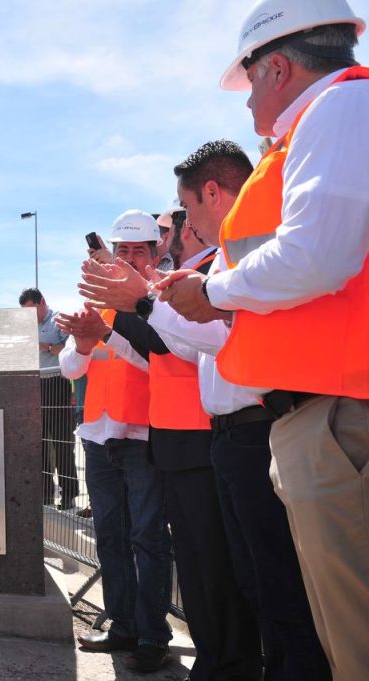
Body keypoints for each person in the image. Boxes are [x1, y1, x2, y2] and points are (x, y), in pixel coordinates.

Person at [156, 4, 368, 678]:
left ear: (277, 66)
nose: (248, 101)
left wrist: (211, 292)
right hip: (319, 410)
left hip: (335, 412)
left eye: (248, 81)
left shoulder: (337, 109)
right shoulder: (333, 117)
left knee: (347, 637)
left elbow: (317, 254)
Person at [80, 199, 264, 681]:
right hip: (168, 434)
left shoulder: (189, 280)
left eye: (163, 233)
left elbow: (171, 344)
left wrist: (135, 305)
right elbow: (155, 351)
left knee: (201, 561)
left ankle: (200, 653)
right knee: (188, 562)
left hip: (198, 431)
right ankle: (208, 657)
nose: (166, 237)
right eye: (123, 247)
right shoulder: (171, 285)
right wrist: (106, 325)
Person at [57, 210, 172, 674]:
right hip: (100, 435)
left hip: (143, 433)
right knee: (111, 537)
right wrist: (85, 343)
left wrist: (107, 334)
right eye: (120, 250)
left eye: (137, 251)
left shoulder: (161, 298)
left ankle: (152, 634)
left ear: (155, 252)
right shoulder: (98, 301)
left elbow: (160, 360)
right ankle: (122, 624)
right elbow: (70, 368)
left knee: (147, 538)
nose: (126, 258)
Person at [19, 288, 79, 510]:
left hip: (56, 382)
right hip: (34, 385)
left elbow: (72, 349)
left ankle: (69, 493)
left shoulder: (59, 320)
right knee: (40, 442)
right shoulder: (24, 325)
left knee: (62, 442)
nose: (30, 316)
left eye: (32, 309)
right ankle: (44, 494)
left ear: (42, 302)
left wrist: (49, 347)